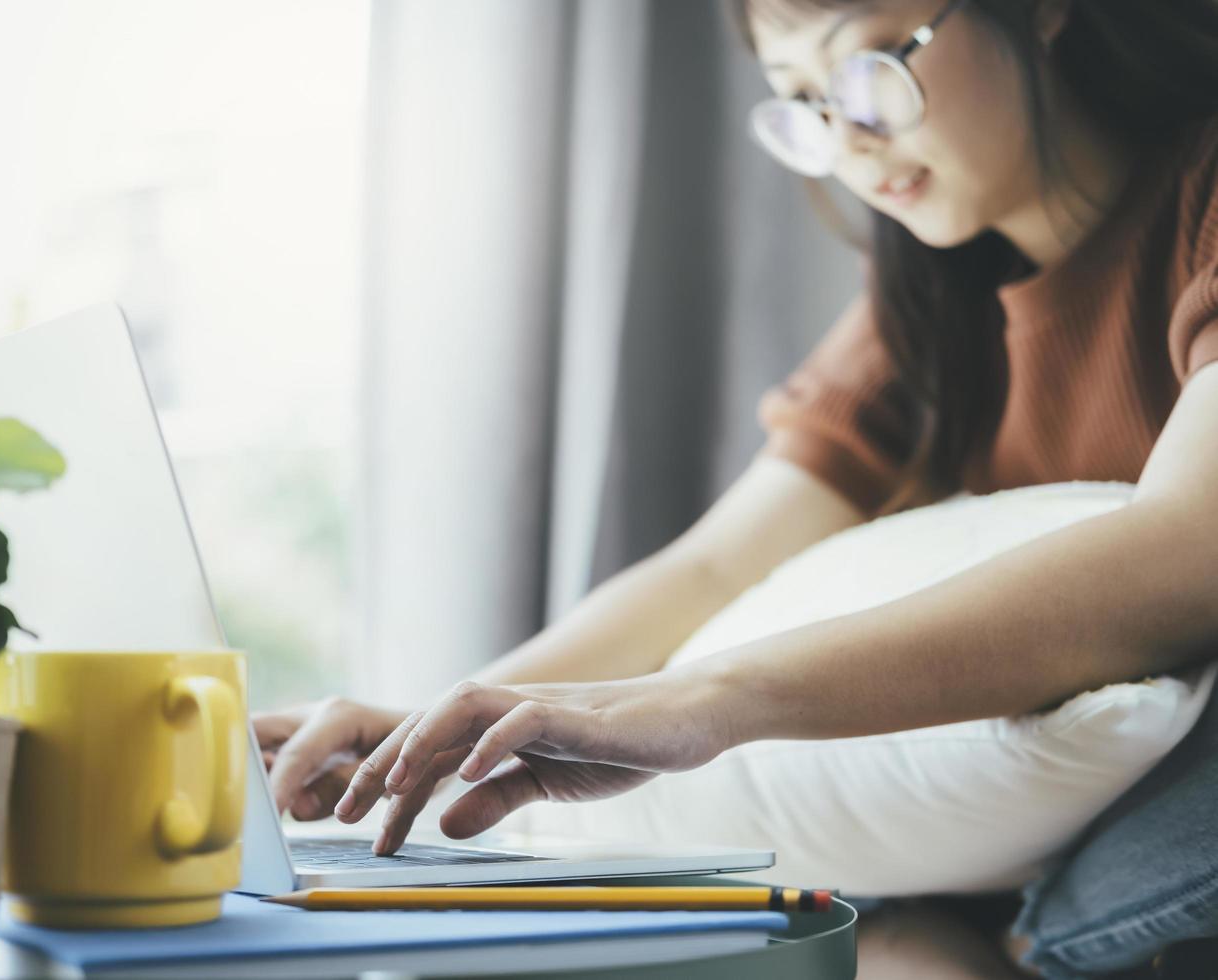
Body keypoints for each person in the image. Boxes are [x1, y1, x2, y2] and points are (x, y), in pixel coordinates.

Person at [257, 1, 1218, 975]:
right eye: (804, 98)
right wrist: (440, 726)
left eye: (871, 66)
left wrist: (708, 702)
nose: (849, 138)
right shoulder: (927, 306)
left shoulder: (1202, 194)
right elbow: (719, 561)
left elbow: (1192, 540)